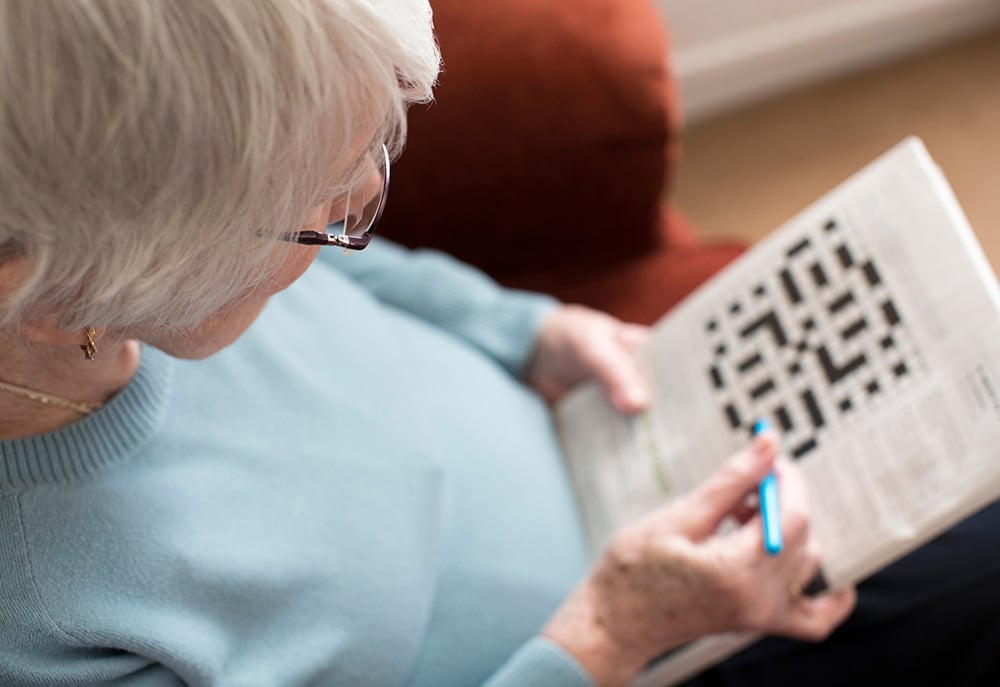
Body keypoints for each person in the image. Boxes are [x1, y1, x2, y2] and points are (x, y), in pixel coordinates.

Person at [0, 2, 994, 686]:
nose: (352, 220)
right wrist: (606, 636)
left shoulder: (133, 273)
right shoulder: (45, 629)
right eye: (317, 215)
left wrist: (524, 330)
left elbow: (360, 274)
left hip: (604, 455)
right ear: (45, 290)